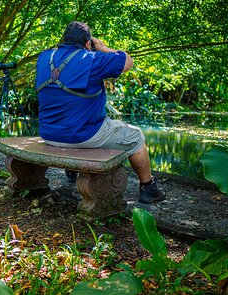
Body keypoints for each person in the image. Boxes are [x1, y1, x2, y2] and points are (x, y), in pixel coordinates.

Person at [35, 21, 166, 203]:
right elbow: (128, 62)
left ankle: (72, 175)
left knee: (73, 115)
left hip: (49, 134)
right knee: (135, 137)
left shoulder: (43, 58)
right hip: (83, 135)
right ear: (88, 43)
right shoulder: (91, 60)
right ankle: (149, 188)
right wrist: (103, 47)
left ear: (64, 39)